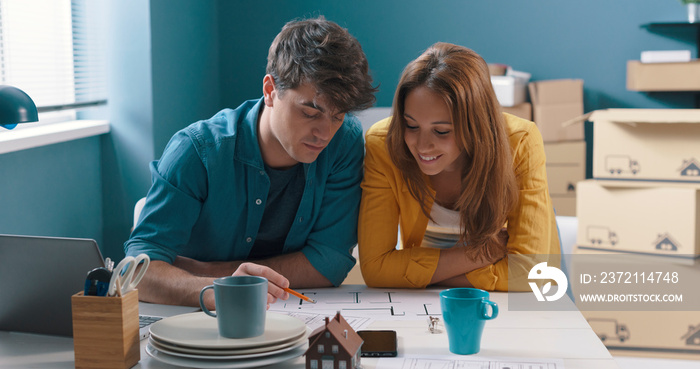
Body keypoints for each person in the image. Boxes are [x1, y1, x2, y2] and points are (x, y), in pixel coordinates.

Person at [125, 16, 377, 309]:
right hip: (200, 316)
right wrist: (216, 290)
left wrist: (208, 272)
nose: (325, 133)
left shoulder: (344, 142)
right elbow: (138, 273)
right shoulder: (197, 150)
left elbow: (329, 263)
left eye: (338, 115)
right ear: (271, 91)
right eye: (311, 111)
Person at [358, 42, 559, 290]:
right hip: (431, 303)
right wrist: (482, 253)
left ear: (476, 125)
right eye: (411, 125)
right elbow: (376, 269)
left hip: (512, 302)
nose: (422, 146)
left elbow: (530, 273)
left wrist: (431, 278)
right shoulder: (384, 143)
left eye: (441, 131)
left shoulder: (521, 142)